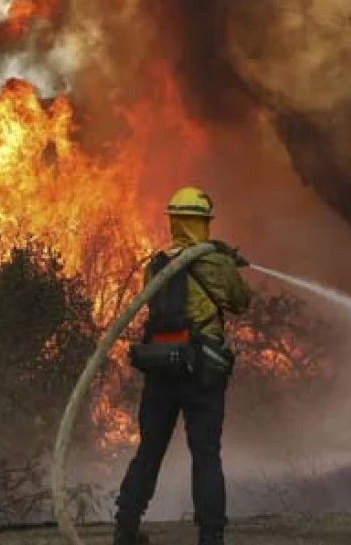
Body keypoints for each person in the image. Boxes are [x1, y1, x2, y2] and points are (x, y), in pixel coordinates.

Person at [114, 186, 251, 545]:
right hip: (200, 371)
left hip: (161, 368)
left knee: (150, 447)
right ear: (204, 223)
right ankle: (210, 535)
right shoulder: (215, 264)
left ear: (174, 221)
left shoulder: (156, 266)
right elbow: (240, 302)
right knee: (205, 451)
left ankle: (125, 526)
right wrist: (229, 266)